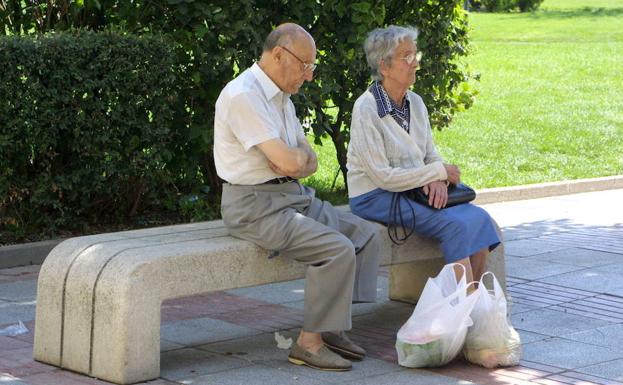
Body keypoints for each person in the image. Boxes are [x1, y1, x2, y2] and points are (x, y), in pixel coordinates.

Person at [214, 23, 382, 371]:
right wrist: (293, 161)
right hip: (254, 206)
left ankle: (331, 325)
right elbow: (291, 160)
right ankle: (308, 343)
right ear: (279, 55)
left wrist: (294, 161)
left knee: (364, 235)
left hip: (292, 196)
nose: (309, 76)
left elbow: (305, 159)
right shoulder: (244, 95)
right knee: (337, 248)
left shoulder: (282, 98)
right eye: (305, 65)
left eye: (312, 67)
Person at [347, 25, 500, 285]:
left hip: (413, 188)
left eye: (415, 55)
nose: (415, 63)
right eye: (407, 57)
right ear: (384, 66)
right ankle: (466, 308)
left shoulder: (415, 102)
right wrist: (434, 174)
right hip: (375, 195)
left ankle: (476, 300)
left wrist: (438, 179)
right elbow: (383, 177)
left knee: (480, 218)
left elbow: (430, 154)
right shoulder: (367, 108)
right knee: (454, 225)